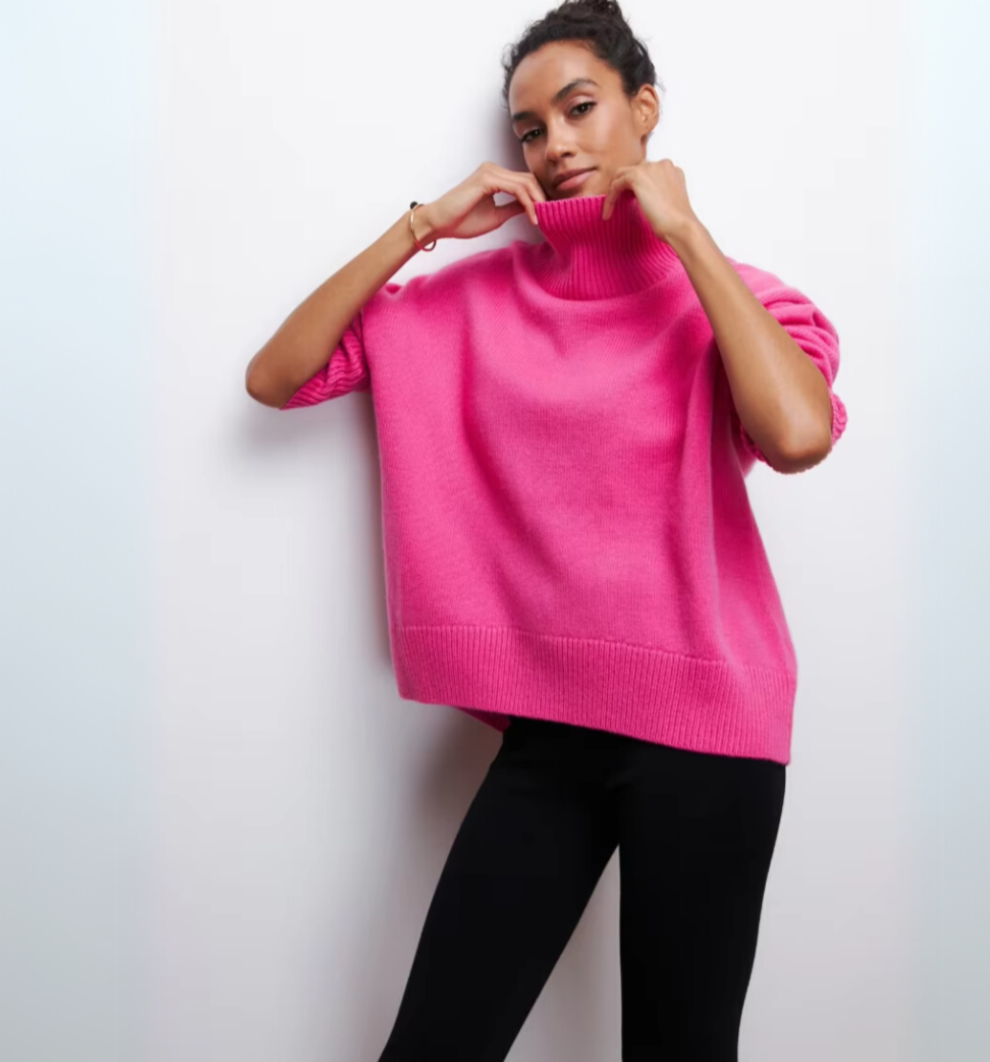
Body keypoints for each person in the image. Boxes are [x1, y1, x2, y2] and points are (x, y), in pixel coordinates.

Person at [245, 1, 848, 1057]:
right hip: (552, 729)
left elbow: (797, 435)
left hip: (710, 730)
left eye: (580, 109)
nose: (556, 144)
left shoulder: (739, 301)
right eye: (531, 129)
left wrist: (685, 232)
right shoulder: (468, 301)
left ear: (644, 109)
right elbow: (276, 377)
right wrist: (421, 227)